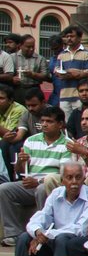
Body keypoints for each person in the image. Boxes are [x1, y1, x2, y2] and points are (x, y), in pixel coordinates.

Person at [0, 105, 72, 246]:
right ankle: (13, 234)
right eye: (43, 121)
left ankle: (42, 231)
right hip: (30, 183)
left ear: (60, 124)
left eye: (49, 121)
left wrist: (38, 182)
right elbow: (19, 171)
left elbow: (63, 176)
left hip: (52, 185)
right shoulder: (31, 140)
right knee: (4, 189)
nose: (44, 124)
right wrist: (21, 161)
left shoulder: (68, 144)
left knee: (41, 188)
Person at [54, 26, 88, 118]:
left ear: (79, 38)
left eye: (72, 36)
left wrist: (74, 74)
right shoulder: (62, 54)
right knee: (67, 124)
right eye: (67, 36)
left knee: (81, 120)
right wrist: (71, 73)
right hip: (64, 94)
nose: (69, 38)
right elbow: (57, 71)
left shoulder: (86, 54)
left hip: (79, 95)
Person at [12, 35, 49, 105]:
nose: (31, 49)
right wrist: (12, 79)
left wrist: (33, 74)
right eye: (28, 47)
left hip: (34, 89)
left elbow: (45, 76)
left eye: (33, 47)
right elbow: (7, 73)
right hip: (18, 89)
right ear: (21, 46)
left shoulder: (40, 59)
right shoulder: (12, 57)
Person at [0, 83, 26, 179]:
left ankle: (7, 179)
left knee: (4, 143)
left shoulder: (19, 110)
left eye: (1, 98)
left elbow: (11, 135)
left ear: (10, 100)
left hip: (17, 142)